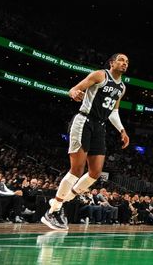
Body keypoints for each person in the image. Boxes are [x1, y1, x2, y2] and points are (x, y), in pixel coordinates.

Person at [41, 54, 130, 231]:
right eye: (121, 60)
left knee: (95, 173)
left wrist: (122, 130)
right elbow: (73, 89)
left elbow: (113, 112)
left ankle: (61, 201)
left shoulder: (122, 87)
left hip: (100, 126)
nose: (124, 63)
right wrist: (74, 93)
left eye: (127, 62)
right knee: (76, 169)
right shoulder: (99, 75)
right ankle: (52, 212)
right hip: (84, 121)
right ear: (112, 63)